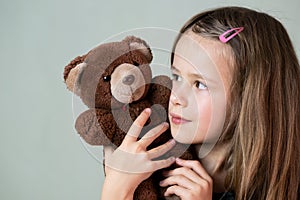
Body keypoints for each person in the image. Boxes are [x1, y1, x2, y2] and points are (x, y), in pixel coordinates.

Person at [101, 6, 300, 200]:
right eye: (176, 76)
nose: (176, 96)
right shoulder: (150, 155)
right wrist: (116, 187)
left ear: (251, 97)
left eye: (200, 84)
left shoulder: (282, 183)